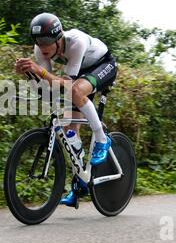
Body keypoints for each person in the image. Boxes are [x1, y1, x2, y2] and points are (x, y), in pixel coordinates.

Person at [15, 12, 118, 207]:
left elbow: (69, 86)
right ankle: (79, 185)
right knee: (71, 135)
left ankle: (102, 140)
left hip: (103, 65)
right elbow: (47, 89)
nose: (42, 46)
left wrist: (40, 71)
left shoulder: (76, 42)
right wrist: (29, 74)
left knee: (77, 90)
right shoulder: (40, 50)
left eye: (46, 41)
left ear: (59, 37)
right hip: (79, 74)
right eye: (38, 41)